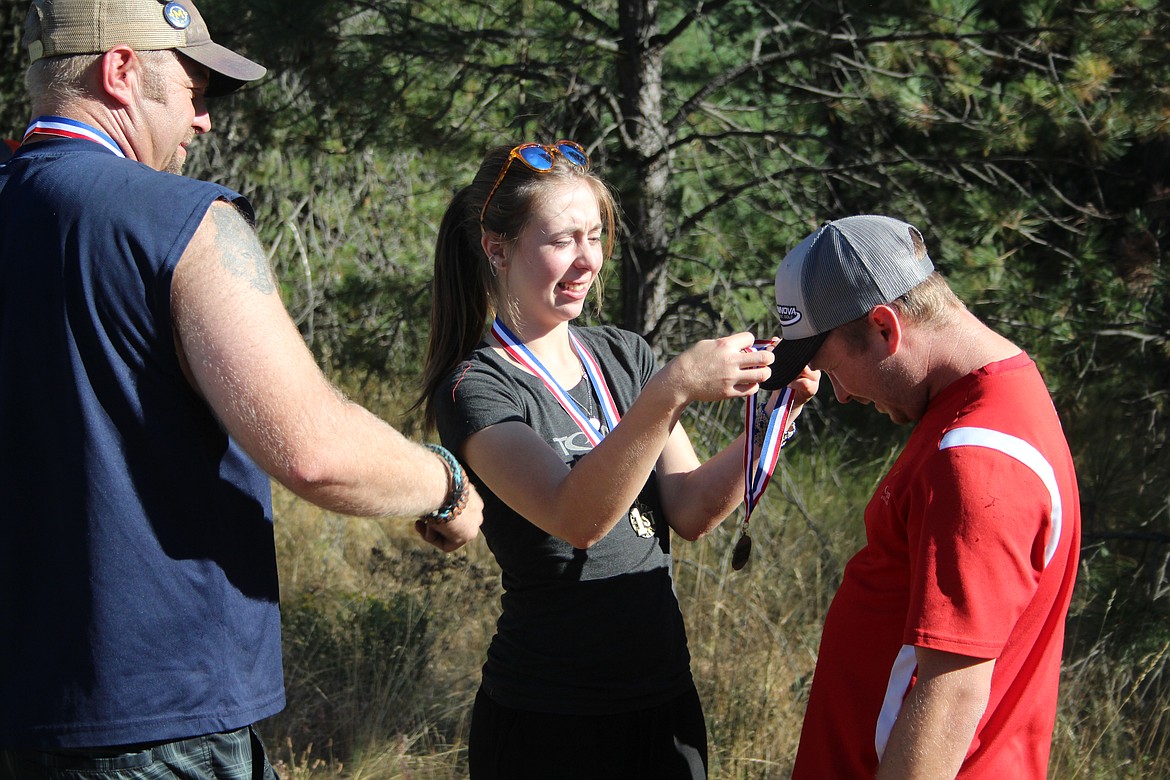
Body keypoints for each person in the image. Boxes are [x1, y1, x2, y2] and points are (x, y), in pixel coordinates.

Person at [0, 1, 482, 777]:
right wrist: (447, 484)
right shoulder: (178, 220)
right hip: (153, 720)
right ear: (121, 73)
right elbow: (314, 451)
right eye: (194, 89)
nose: (204, 122)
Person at [415, 141, 819, 779]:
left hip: (661, 699)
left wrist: (769, 426)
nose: (586, 261)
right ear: (497, 247)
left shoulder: (622, 355)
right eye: (563, 240)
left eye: (595, 237)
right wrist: (673, 389)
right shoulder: (476, 387)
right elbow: (574, 516)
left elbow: (687, 508)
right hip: (552, 718)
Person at [764, 215, 1081, 779]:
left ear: (885, 327)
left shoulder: (975, 458)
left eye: (833, 366)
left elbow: (951, 694)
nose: (839, 394)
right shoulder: (996, 399)